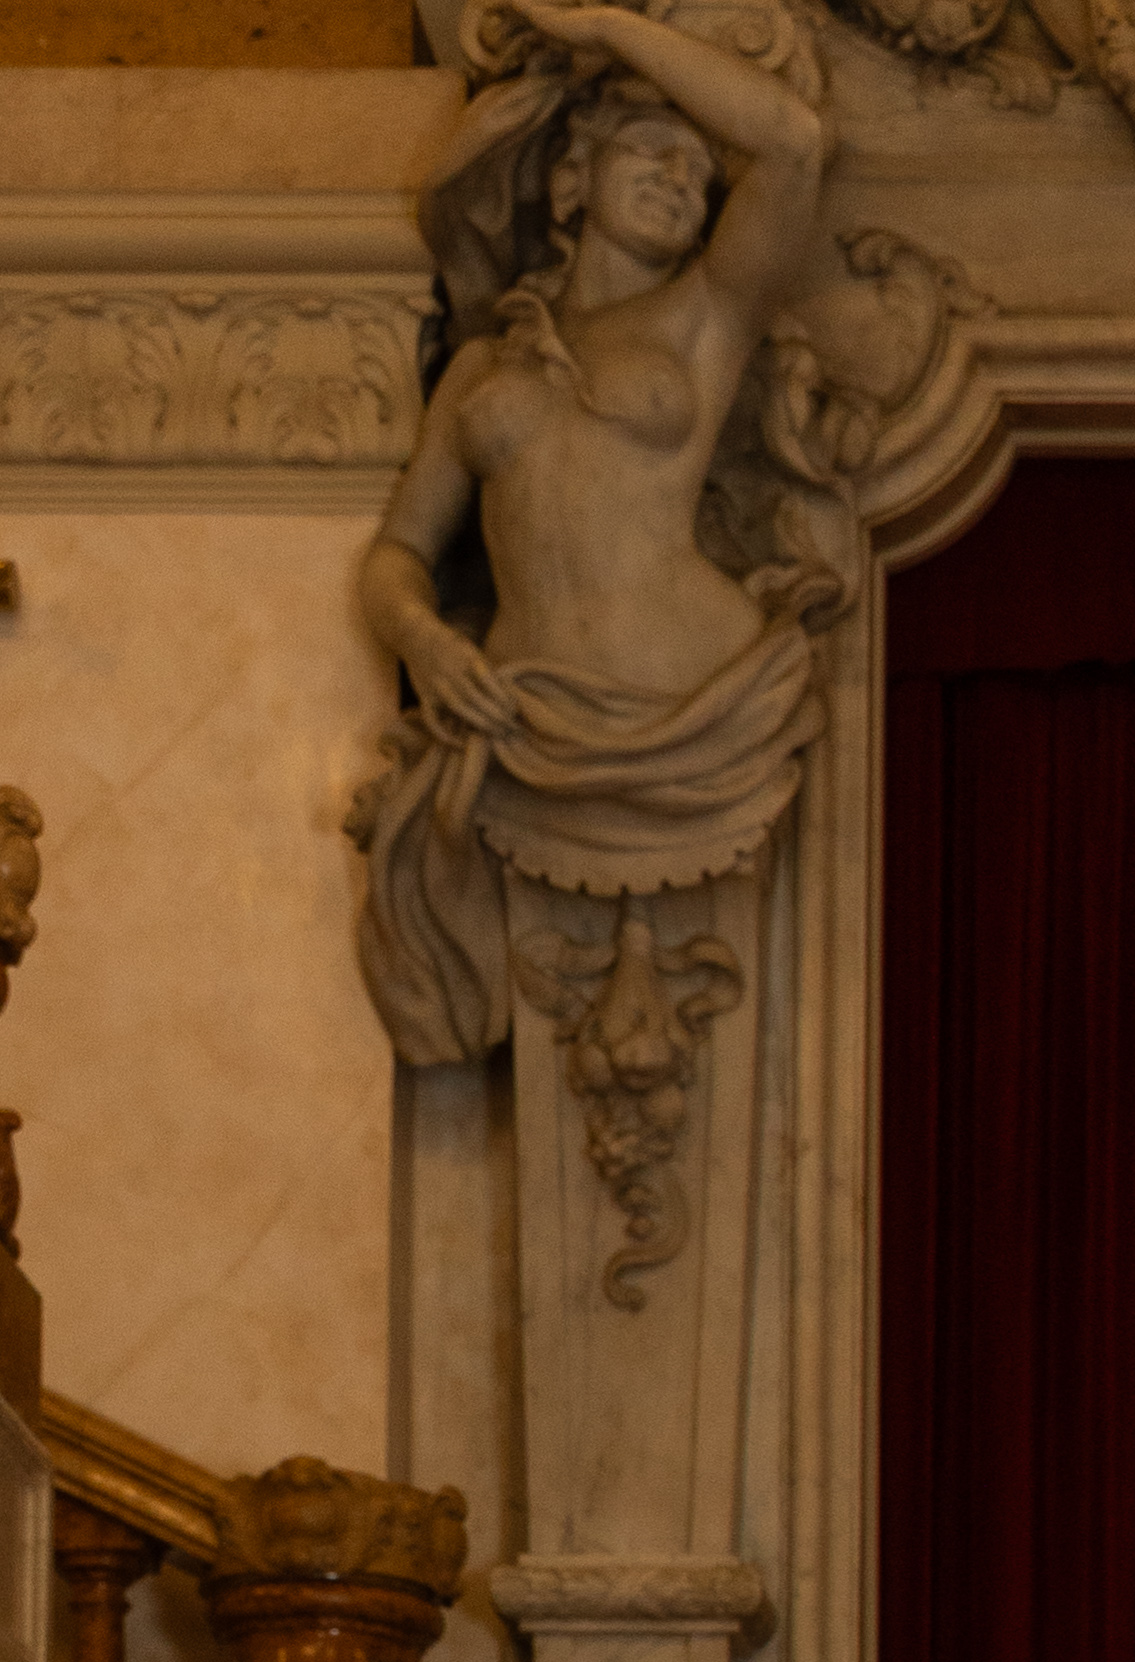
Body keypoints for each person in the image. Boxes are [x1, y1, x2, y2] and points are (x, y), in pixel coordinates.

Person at [350, 0, 833, 1076]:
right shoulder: (484, 372)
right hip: (531, 725)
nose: (683, 181)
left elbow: (795, 142)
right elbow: (397, 556)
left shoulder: (704, 318)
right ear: (572, 180)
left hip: (702, 722)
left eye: (699, 176)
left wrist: (606, 27)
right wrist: (426, 644)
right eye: (654, 156)